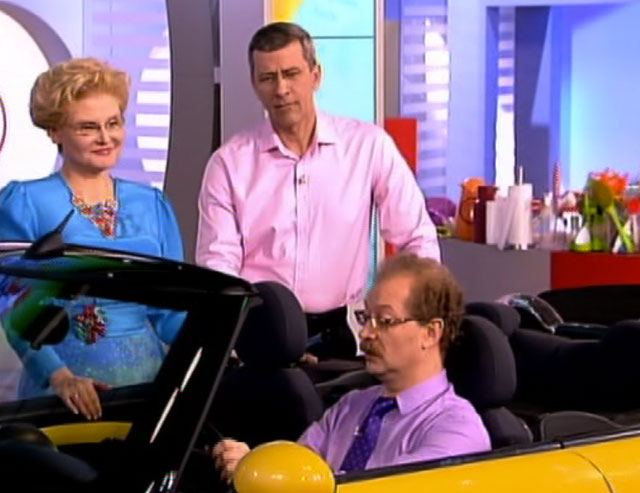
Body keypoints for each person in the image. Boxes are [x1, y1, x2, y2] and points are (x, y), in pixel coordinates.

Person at [196, 22, 440, 360]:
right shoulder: (229, 163)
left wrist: (408, 317)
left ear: (316, 75)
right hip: (259, 335)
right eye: (268, 78)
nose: (281, 89)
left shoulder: (368, 146)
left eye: (291, 74)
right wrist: (237, 340)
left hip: (340, 336)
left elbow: (417, 237)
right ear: (254, 84)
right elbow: (218, 264)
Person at [0, 58, 184, 420]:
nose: (105, 138)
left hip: (147, 385)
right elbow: (12, 305)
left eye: (113, 123)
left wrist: (225, 347)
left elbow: (172, 312)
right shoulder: (25, 202)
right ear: (55, 131)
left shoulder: (153, 204)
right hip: (63, 390)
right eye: (88, 127)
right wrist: (59, 377)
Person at [213, 254, 490, 478]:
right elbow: (299, 471)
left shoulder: (456, 431)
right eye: (365, 318)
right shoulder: (350, 407)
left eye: (384, 321)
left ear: (430, 333)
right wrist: (257, 467)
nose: (366, 333)